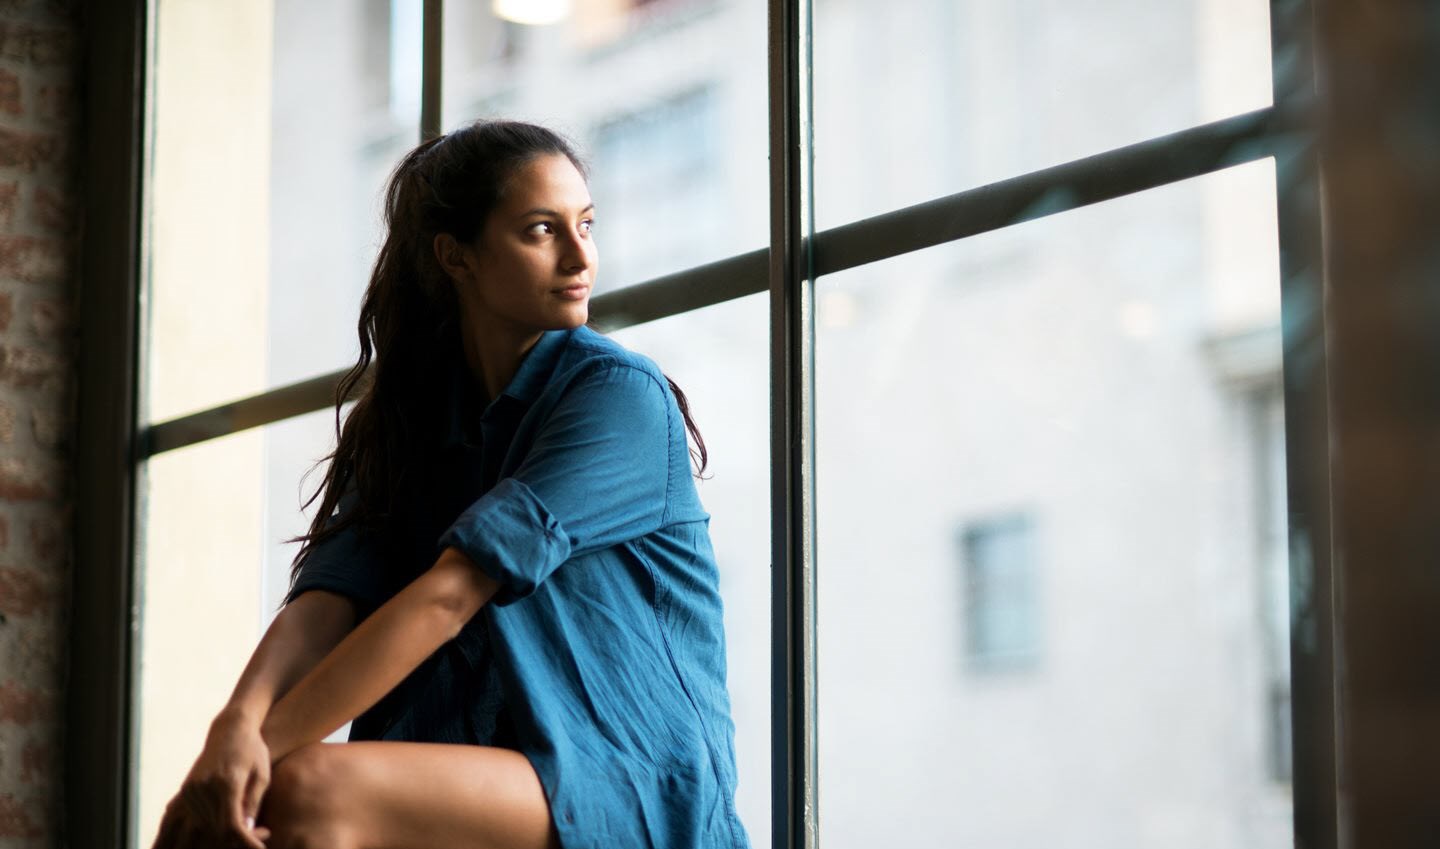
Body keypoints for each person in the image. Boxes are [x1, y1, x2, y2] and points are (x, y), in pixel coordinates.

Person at [152, 120, 751, 849]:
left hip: (634, 782)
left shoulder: (615, 393)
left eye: (586, 224)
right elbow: (328, 599)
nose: (579, 254)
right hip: (483, 763)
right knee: (266, 792)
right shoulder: (415, 421)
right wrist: (234, 729)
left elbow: (449, 595)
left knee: (302, 787)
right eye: (541, 230)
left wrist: (245, 766)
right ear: (455, 256)